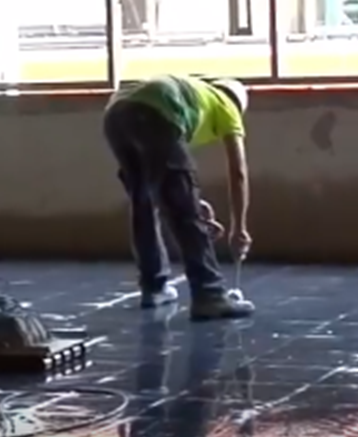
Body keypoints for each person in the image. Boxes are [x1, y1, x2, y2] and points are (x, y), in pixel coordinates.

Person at [102, 74, 255, 320]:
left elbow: (165, 179)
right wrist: (240, 228)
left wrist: (192, 200)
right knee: (185, 212)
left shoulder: (195, 96)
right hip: (153, 114)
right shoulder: (227, 105)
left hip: (116, 115)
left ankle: (154, 287)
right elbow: (238, 173)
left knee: (143, 203)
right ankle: (209, 295)